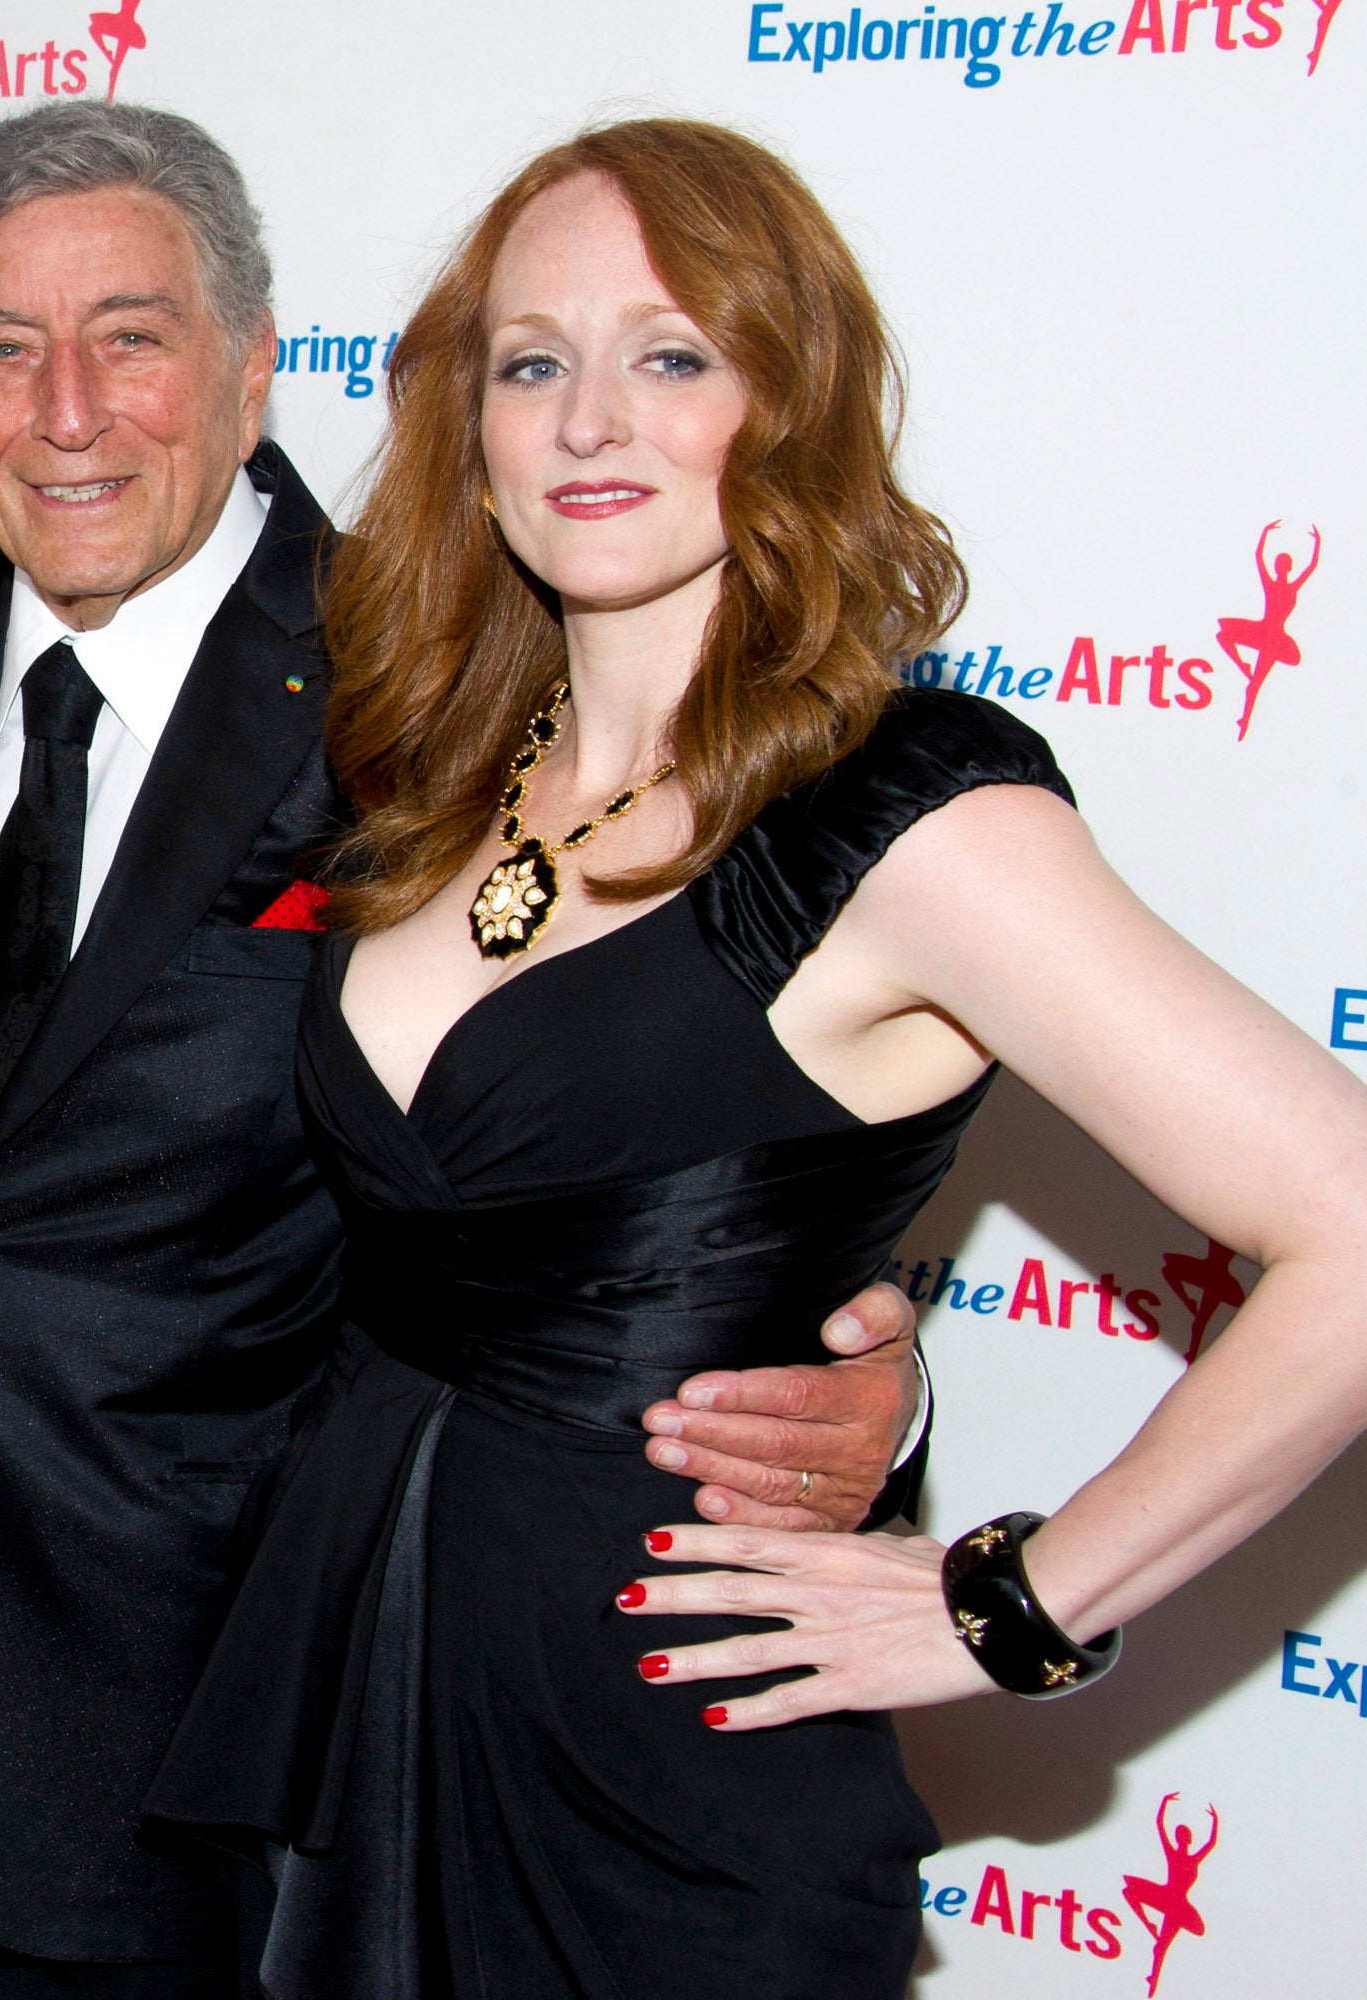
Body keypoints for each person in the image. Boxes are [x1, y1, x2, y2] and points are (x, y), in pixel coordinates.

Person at [144, 118, 1367, 1998]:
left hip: (672, 1781)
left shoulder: (910, 825)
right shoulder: (433, 778)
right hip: (352, 1689)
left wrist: (1012, 1606)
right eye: (533, 362)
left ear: (783, 403)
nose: (587, 421)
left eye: (673, 356)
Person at [0, 101, 932, 2000]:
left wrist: (864, 1371)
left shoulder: (443, 677)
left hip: (249, 1742)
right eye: (5, 349)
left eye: (133, 337)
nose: (67, 409)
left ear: (250, 369)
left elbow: (682, 1086)